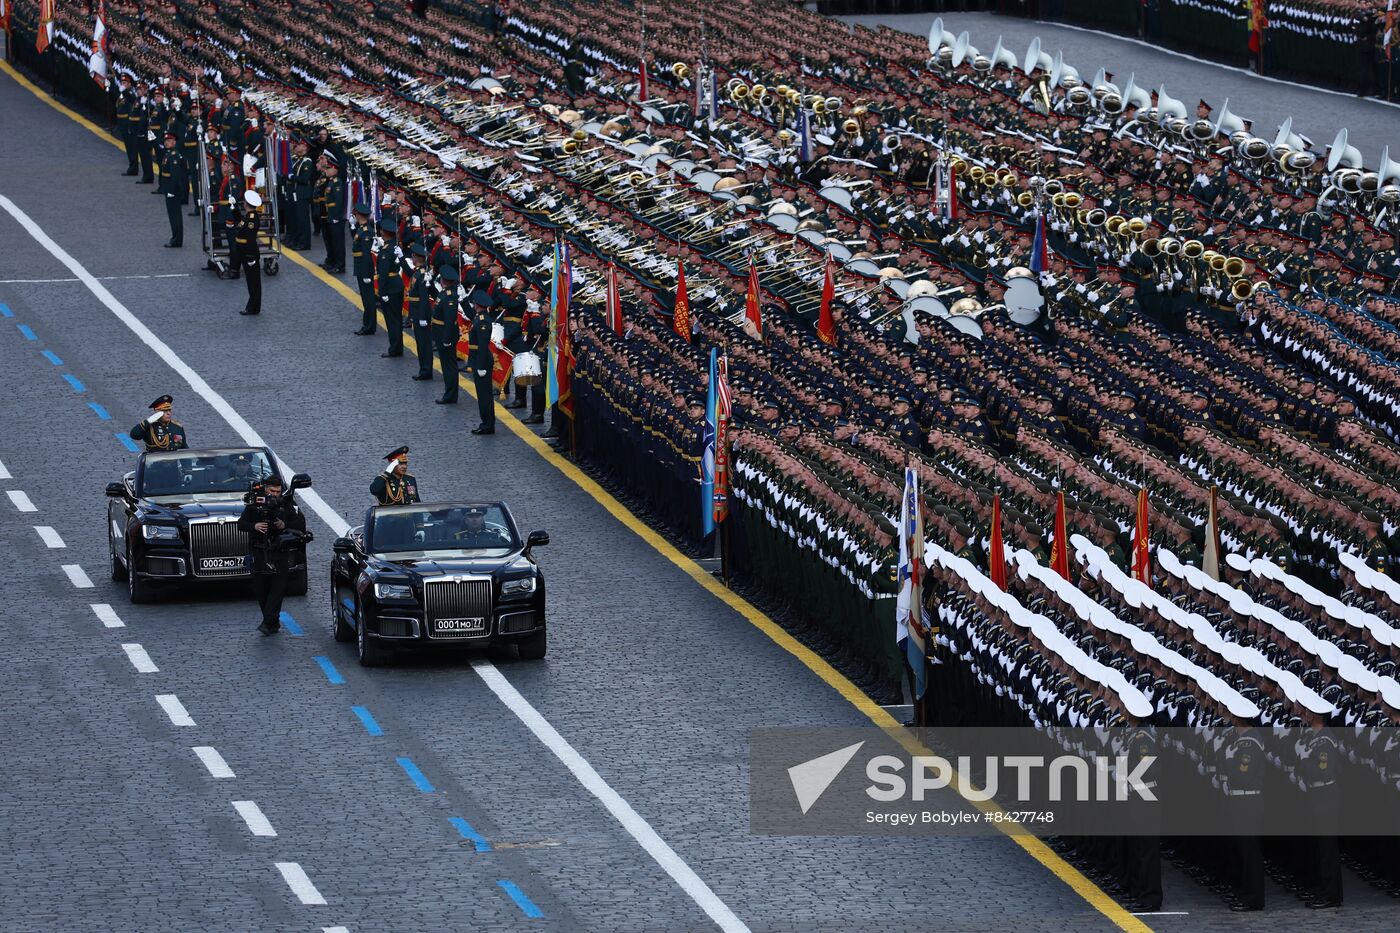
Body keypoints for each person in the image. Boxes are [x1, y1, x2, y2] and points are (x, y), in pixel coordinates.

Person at [237, 477, 308, 636]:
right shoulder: (255, 504)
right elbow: (241, 524)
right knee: (261, 590)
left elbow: (300, 524)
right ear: (265, 489)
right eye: (271, 491)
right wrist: (254, 526)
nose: (275, 495)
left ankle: (268, 622)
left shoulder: (287, 504)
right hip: (259, 553)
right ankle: (272, 622)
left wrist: (284, 525)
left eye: (277, 491)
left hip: (279, 553)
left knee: (277, 590)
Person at [376, 218, 406, 357]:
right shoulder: (395, 247)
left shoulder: (385, 250)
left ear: (384, 233)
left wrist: (382, 293)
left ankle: (395, 348)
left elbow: (382, 274)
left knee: (392, 319)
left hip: (390, 287)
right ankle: (397, 346)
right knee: (397, 318)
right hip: (397, 284)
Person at [433, 264, 463, 402]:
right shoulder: (445, 292)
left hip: (446, 333)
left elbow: (450, 321)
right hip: (441, 332)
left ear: (443, 280)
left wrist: (446, 339)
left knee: (449, 365)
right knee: (446, 364)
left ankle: (450, 395)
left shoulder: (450, 297)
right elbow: (438, 300)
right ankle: (449, 392)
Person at [233, 190, 263, 315]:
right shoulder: (248, 216)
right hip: (244, 251)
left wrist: (250, 257)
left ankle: (253, 307)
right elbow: (241, 223)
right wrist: (233, 208)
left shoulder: (252, 218)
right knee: (250, 280)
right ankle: (253, 306)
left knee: (253, 281)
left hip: (248, 252)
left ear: (246, 204)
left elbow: (250, 237)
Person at [468, 302, 496, 433]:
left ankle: (488, 425)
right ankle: (486, 423)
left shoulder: (483, 321)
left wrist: (480, 366)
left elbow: (483, 345)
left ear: (478, 305)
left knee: (485, 395)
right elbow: (470, 316)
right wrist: (463, 301)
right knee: (482, 394)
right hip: (478, 359)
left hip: (481, 361)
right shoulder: (479, 317)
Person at [350, 203, 378, 335]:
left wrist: (367, 273)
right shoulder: (361, 228)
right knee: (365, 298)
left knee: (368, 299)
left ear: (359, 215)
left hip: (364, 268)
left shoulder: (367, 231)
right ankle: (367, 324)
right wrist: (352, 227)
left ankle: (370, 326)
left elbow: (367, 254)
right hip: (360, 267)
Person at [157, 131, 187, 248]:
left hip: (172, 189)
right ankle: (175, 237)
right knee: (172, 214)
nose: (167, 143)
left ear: (174, 142)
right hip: (168, 187)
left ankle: (177, 239)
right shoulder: (169, 153)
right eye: (166, 141)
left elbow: (175, 176)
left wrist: (172, 191)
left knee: (175, 215)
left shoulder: (173, 155)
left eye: (169, 141)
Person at [319, 155, 345, 272]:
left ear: (334, 169)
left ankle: (340, 265)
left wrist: (335, 217)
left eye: (329, 169)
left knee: (338, 242)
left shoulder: (337, 183)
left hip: (336, 217)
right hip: (330, 216)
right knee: (332, 241)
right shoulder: (330, 182)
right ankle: (333, 262)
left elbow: (338, 202)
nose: (327, 171)